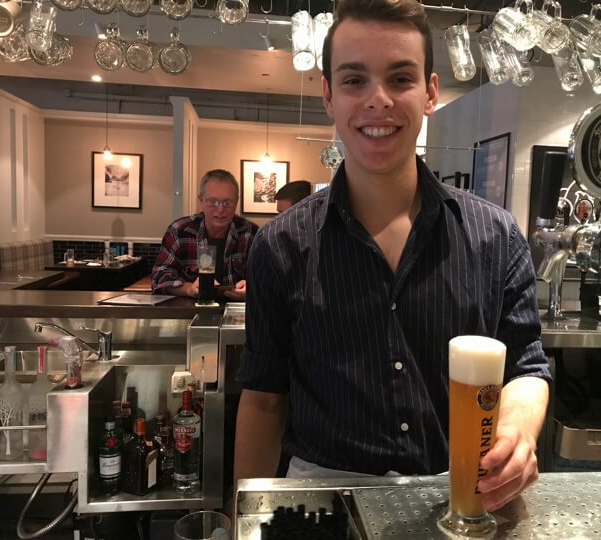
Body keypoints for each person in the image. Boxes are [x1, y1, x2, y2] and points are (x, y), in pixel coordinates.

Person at [234, 0, 550, 514]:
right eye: (354, 80)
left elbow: (526, 367)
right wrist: (244, 518)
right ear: (328, 95)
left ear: (429, 93)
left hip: (460, 496)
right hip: (320, 503)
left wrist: (518, 427)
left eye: (400, 79)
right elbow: (264, 400)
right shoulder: (280, 245)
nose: (377, 100)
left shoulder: (495, 235)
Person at [151, 169, 258, 301]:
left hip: (237, 310)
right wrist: (189, 288)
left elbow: (267, 279)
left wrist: (252, 288)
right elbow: (159, 278)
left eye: (227, 202)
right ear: (201, 200)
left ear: (236, 202)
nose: (220, 209)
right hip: (191, 309)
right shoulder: (179, 231)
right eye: (213, 202)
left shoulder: (251, 233)